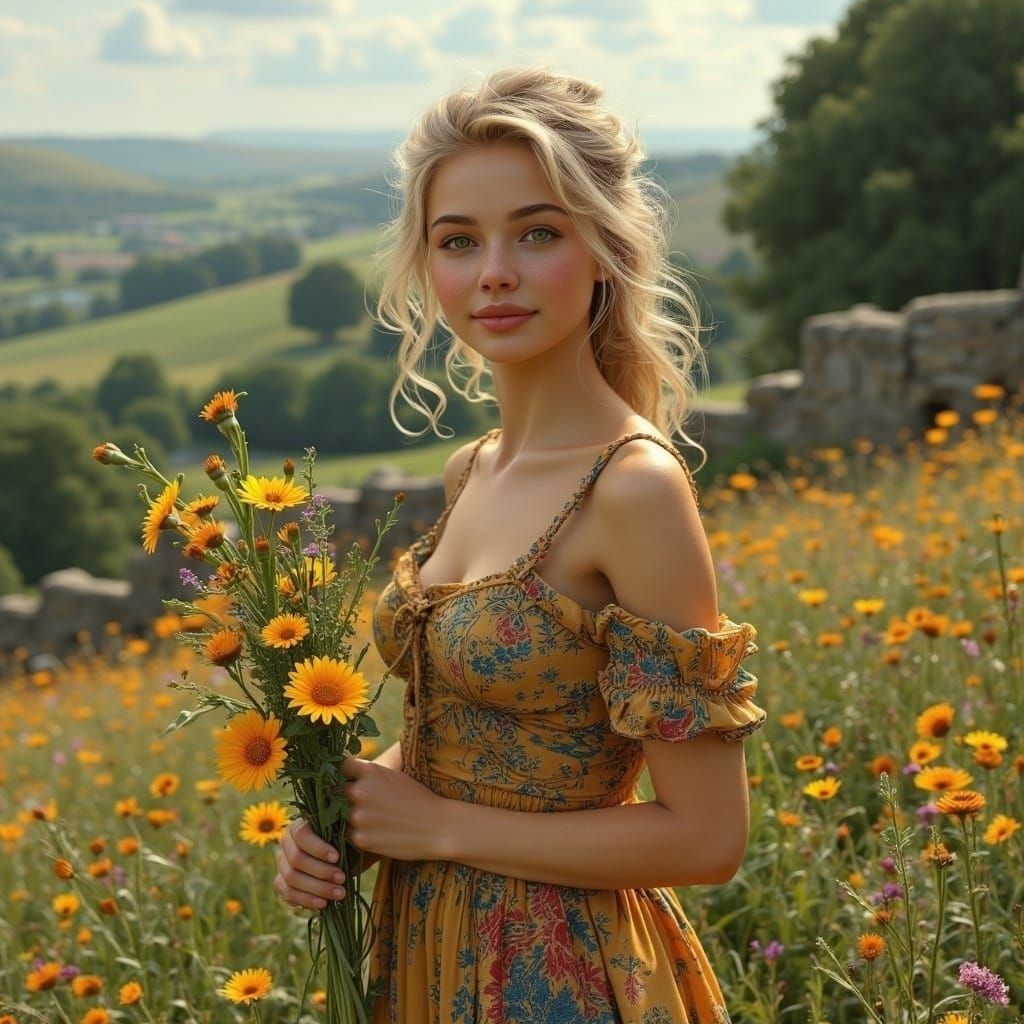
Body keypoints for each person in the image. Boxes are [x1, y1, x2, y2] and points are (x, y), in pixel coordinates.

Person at [273, 64, 766, 1023]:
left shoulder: (633, 489)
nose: (493, 270)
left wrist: (441, 828)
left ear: (604, 252)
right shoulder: (474, 471)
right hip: (422, 948)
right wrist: (356, 810)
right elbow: (483, 739)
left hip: (561, 974)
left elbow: (708, 839)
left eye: (537, 232)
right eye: (458, 241)